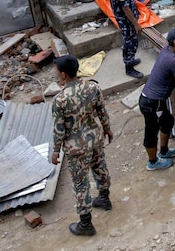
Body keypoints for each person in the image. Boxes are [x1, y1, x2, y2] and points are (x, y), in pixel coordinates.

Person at [50, 54, 113, 237]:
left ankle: (86, 224)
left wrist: (55, 151)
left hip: (76, 147)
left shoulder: (60, 100)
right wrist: (107, 129)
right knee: (100, 168)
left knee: (80, 183)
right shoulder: (93, 87)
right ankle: (104, 198)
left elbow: (59, 129)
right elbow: (102, 111)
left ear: (63, 75)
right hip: (95, 138)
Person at [139, 27, 175, 170]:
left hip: (153, 99)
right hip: (152, 102)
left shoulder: (166, 51)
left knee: (167, 121)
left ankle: (164, 151)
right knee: (151, 132)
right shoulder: (174, 61)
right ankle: (153, 162)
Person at [106, 0, 144, 79]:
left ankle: (131, 59)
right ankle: (129, 66)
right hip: (126, 19)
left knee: (130, 39)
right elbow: (126, 8)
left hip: (122, 17)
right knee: (130, 41)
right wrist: (136, 23)